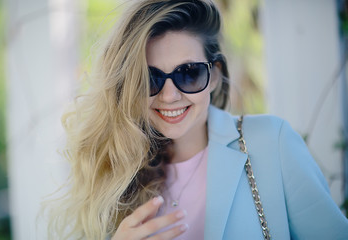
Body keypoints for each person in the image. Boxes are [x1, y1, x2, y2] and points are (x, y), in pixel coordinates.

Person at [46, 0, 348, 239]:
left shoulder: (272, 142)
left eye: (188, 73)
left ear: (215, 74)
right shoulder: (113, 171)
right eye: (149, 78)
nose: (169, 95)